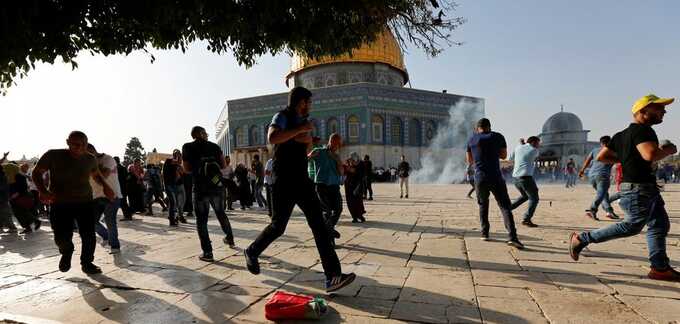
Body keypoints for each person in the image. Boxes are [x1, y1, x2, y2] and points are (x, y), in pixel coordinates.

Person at [244, 87, 356, 293]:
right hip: (283, 180)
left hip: (302, 179)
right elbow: (273, 138)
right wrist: (298, 132)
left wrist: (305, 141)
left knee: (319, 225)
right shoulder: (282, 116)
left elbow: (303, 148)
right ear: (301, 102)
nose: (310, 107)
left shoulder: (302, 124)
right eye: (309, 103)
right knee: (278, 226)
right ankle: (252, 251)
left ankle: (333, 277)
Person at [569, 94, 680, 281]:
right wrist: (669, 150)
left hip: (643, 187)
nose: (664, 111)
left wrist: (628, 159)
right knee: (631, 226)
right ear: (643, 111)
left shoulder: (621, 135)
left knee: (659, 224)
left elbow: (602, 156)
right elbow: (650, 154)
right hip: (638, 188)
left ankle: (659, 267)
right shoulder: (644, 131)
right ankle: (582, 239)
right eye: (659, 108)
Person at [32, 131, 114, 274]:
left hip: (85, 202)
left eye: (84, 144)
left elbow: (96, 175)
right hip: (60, 202)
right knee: (61, 236)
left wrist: (106, 187)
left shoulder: (90, 159)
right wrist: (42, 190)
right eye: (76, 144)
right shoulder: (53, 155)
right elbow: (36, 172)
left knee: (89, 234)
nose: (80, 147)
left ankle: (87, 263)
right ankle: (67, 252)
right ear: (68, 142)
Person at [466, 118, 524, 249]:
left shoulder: (471, 139)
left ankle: (484, 232)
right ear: (489, 127)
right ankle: (512, 237)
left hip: (480, 177)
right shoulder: (498, 136)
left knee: (483, 204)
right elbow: (503, 156)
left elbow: (469, 160)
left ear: (477, 128)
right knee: (504, 206)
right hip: (496, 176)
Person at [182, 126, 235, 262]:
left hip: (200, 188)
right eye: (205, 133)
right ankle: (229, 238)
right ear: (201, 133)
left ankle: (208, 253)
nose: (207, 135)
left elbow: (187, 169)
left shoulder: (187, 147)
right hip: (216, 186)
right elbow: (223, 165)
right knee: (220, 213)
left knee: (202, 221)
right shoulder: (214, 146)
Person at [309, 133, 344, 246]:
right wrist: (311, 155)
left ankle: (328, 230)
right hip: (321, 185)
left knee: (338, 209)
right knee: (327, 212)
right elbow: (307, 158)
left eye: (338, 144)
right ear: (330, 141)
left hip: (334, 185)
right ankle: (330, 238)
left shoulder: (337, 156)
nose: (336, 145)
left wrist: (337, 160)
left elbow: (341, 172)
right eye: (334, 142)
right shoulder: (319, 151)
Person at [88, 144, 122, 254]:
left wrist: (93, 167)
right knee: (91, 221)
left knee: (110, 220)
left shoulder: (108, 159)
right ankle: (106, 236)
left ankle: (115, 246)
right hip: (96, 196)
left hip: (112, 195)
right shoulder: (85, 163)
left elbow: (102, 178)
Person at [579, 136, 619, 221]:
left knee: (603, 194)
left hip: (591, 175)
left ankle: (609, 212)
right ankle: (592, 209)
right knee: (601, 194)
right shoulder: (612, 151)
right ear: (610, 142)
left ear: (601, 143)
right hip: (602, 175)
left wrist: (582, 170)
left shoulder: (594, 150)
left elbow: (587, 160)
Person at [509, 136, 541, 227]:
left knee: (525, 196)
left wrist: (521, 145)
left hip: (515, 179)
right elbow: (533, 152)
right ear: (534, 143)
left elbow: (511, 158)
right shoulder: (534, 150)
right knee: (534, 198)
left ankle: (508, 208)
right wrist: (524, 144)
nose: (539, 145)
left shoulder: (518, 147)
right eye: (538, 143)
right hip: (526, 178)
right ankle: (526, 219)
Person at [7, 163, 41, 234]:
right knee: (19, 214)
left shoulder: (19, 176)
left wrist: (17, 194)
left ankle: (34, 222)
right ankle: (29, 226)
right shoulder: (10, 176)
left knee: (22, 213)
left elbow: (24, 188)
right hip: (13, 197)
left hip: (20, 197)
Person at [163, 149, 187, 226]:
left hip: (174, 185)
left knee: (176, 202)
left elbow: (183, 172)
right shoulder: (168, 160)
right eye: (176, 154)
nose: (178, 156)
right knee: (173, 202)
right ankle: (172, 220)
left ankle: (174, 217)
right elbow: (177, 162)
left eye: (179, 155)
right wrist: (179, 158)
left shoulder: (177, 165)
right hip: (168, 185)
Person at [344, 153, 366, 223]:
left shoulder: (361, 164)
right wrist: (348, 168)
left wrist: (354, 170)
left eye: (354, 160)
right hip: (348, 185)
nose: (353, 161)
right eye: (352, 160)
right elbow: (344, 171)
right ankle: (354, 217)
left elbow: (362, 174)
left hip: (357, 184)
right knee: (350, 201)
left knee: (358, 201)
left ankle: (360, 215)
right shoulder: (347, 163)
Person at [0, 152, 18, 233]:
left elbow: (3, 188)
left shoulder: (2, 177)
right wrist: (4, 157)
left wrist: (4, 157)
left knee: (5, 211)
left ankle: (12, 227)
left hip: (2, 197)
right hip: (2, 196)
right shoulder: (3, 175)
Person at [114, 157, 134, 221]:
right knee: (123, 203)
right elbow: (127, 177)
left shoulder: (117, 168)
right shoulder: (123, 168)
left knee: (123, 203)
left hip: (120, 188)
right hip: (124, 188)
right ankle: (128, 215)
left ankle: (127, 216)